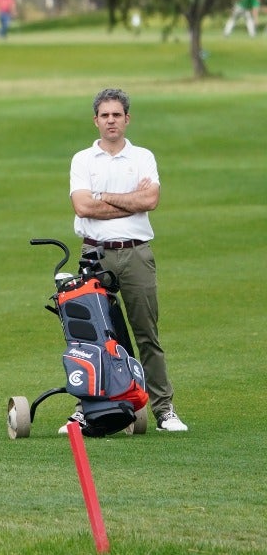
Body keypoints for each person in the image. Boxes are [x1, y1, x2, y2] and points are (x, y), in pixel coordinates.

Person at [67, 89, 184, 433]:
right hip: (94, 253)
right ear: (96, 120)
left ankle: (164, 409)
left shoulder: (142, 157)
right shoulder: (82, 159)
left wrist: (104, 197)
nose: (111, 121)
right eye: (105, 115)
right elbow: (83, 206)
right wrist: (130, 200)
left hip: (135, 252)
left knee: (146, 333)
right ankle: (87, 409)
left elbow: (151, 198)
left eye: (117, 115)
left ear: (127, 118)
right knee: (91, 337)